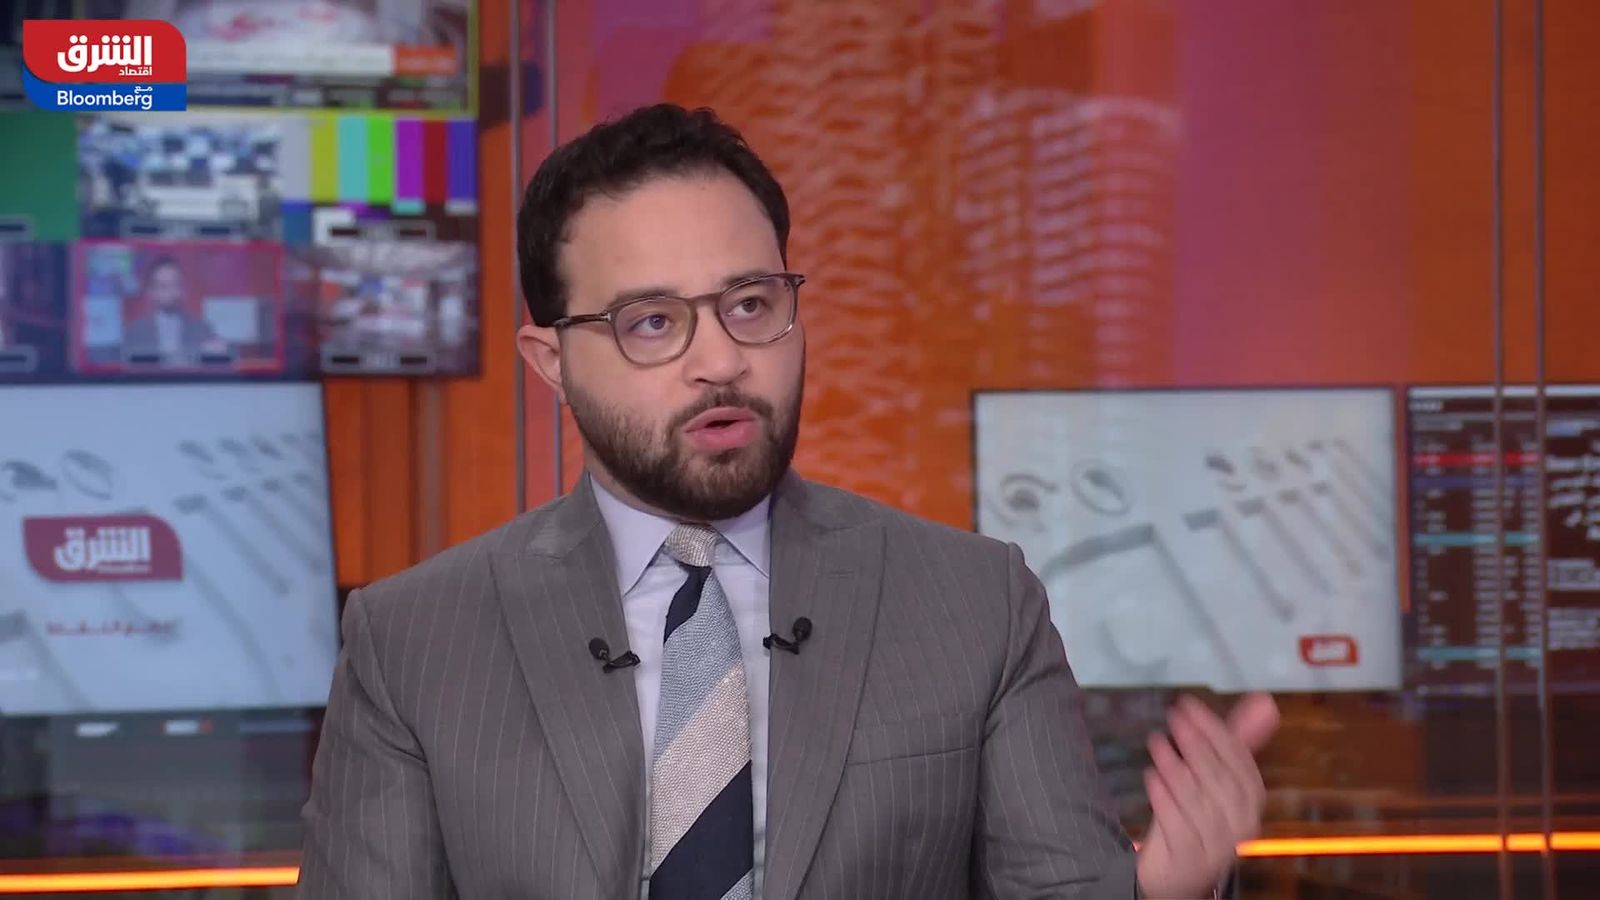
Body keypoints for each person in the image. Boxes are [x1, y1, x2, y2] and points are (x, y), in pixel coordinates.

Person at [297, 103, 1280, 899]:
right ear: (550, 360)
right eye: (652, 322)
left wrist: (1164, 892)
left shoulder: (977, 602)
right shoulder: (413, 643)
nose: (721, 360)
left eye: (751, 304)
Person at [120, 255, 220, 360]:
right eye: (163, 286)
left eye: (175, 284)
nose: (170, 292)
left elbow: (217, 361)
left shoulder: (202, 329)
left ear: (182, 288)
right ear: (151, 291)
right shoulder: (135, 332)